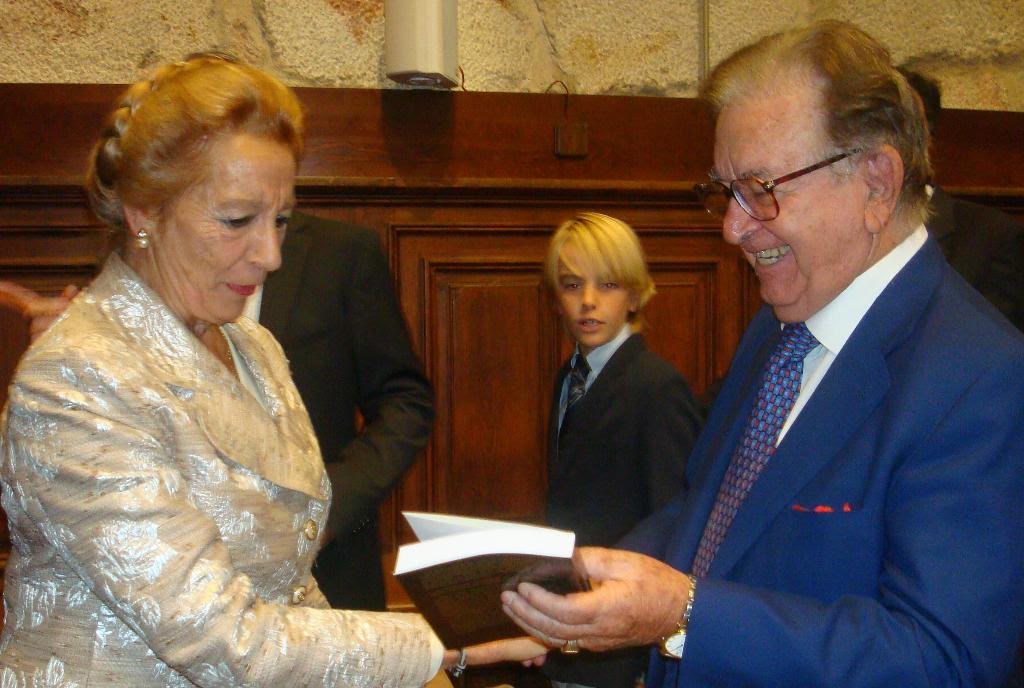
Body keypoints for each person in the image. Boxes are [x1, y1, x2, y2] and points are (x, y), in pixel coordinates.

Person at [501, 20, 1024, 688]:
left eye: (761, 188)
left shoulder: (981, 379)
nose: (733, 227)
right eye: (724, 191)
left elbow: (939, 661)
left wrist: (685, 615)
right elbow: (708, 512)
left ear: (876, 182)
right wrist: (570, 596)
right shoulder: (782, 326)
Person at [0, 53, 542, 686]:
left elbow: (287, 579)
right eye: (237, 220)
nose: (271, 255)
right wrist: (446, 644)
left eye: (280, 219)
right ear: (143, 212)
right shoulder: (76, 376)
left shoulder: (253, 347)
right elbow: (218, 639)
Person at [541, 213, 701, 688]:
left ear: (634, 294)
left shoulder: (657, 387)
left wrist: (644, 659)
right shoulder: (569, 377)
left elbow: (675, 516)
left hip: (621, 642)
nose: (587, 302)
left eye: (607, 285)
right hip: (573, 624)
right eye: (571, 285)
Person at [899, 66, 1024, 332]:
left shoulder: (993, 237)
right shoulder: (838, 226)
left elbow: (996, 350)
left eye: (899, 126)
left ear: (925, 138)